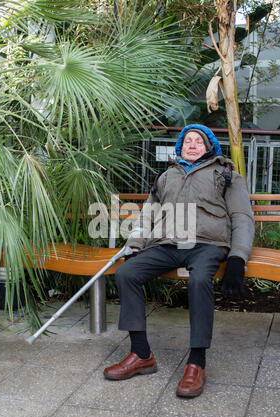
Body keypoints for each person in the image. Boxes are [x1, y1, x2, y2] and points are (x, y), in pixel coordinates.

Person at [103, 124, 255, 398]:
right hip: (167, 243)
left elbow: (242, 217)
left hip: (207, 244)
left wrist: (237, 258)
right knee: (127, 274)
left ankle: (197, 363)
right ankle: (141, 354)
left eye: (199, 141)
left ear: (209, 147)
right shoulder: (167, 176)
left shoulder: (227, 174)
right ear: (180, 148)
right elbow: (148, 215)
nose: (193, 145)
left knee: (198, 280)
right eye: (188, 141)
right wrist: (135, 244)